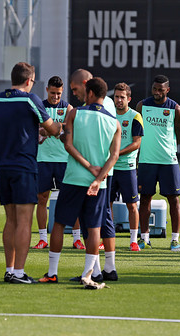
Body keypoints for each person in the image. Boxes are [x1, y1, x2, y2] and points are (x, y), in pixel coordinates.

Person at [39, 77, 120, 287]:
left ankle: (52, 272)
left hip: (74, 178)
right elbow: (114, 156)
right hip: (98, 183)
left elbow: (68, 145)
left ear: (90, 93)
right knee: (94, 228)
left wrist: (86, 165)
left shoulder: (75, 113)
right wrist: (99, 177)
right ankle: (88, 274)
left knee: (59, 223)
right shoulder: (114, 122)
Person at [0, 62, 62, 284]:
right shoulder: (31, 99)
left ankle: (9, 269)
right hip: (23, 166)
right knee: (24, 221)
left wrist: (32, 130)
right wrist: (60, 127)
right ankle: (19, 273)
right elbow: (53, 129)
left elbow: (7, 126)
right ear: (30, 80)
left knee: (10, 220)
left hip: (1, 165)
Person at [68, 69, 117, 280]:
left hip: (98, 171)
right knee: (103, 218)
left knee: (93, 221)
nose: (75, 94)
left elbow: (86, 137)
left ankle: (95, 271)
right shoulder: (107, 104)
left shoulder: (93, 107)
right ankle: (108, 268)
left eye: (76, 89)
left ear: (87, 86)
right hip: (105, 170)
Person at [137, 75, 180, 250]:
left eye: (161, 90)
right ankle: (144, 238)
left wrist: (167, 147)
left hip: (168, 161)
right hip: (146, 160)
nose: (157, 93)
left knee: (174, 200)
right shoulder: (142, 106)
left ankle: (174, 240)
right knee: (145, 198)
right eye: (155, 89)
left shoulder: (176, 109)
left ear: (167, 90)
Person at [33, 76, 74, 249]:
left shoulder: (68, 107)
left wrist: (49, 129)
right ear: (47, 90)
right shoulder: (39, 106)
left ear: (62, 91)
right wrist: (44, 130)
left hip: (64, 160)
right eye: (52, 93)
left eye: (58, 93)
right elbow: (34, 127)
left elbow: (71, 126)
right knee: (42, 199)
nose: (55, 97)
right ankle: (43, 238)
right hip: (43, 160)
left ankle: (77, 238)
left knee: (72, 199)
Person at [109, 83, 143, 251]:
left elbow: (137, 143)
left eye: (122, 97)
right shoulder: (108, 114)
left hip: (127, 167)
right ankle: (107, 238)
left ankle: (133, 240)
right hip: (109, 168)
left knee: (132, 205)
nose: (119, 100)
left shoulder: (135, 116)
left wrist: (116, 153)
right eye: (116, 97)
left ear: (129, 99)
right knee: (107, 204)